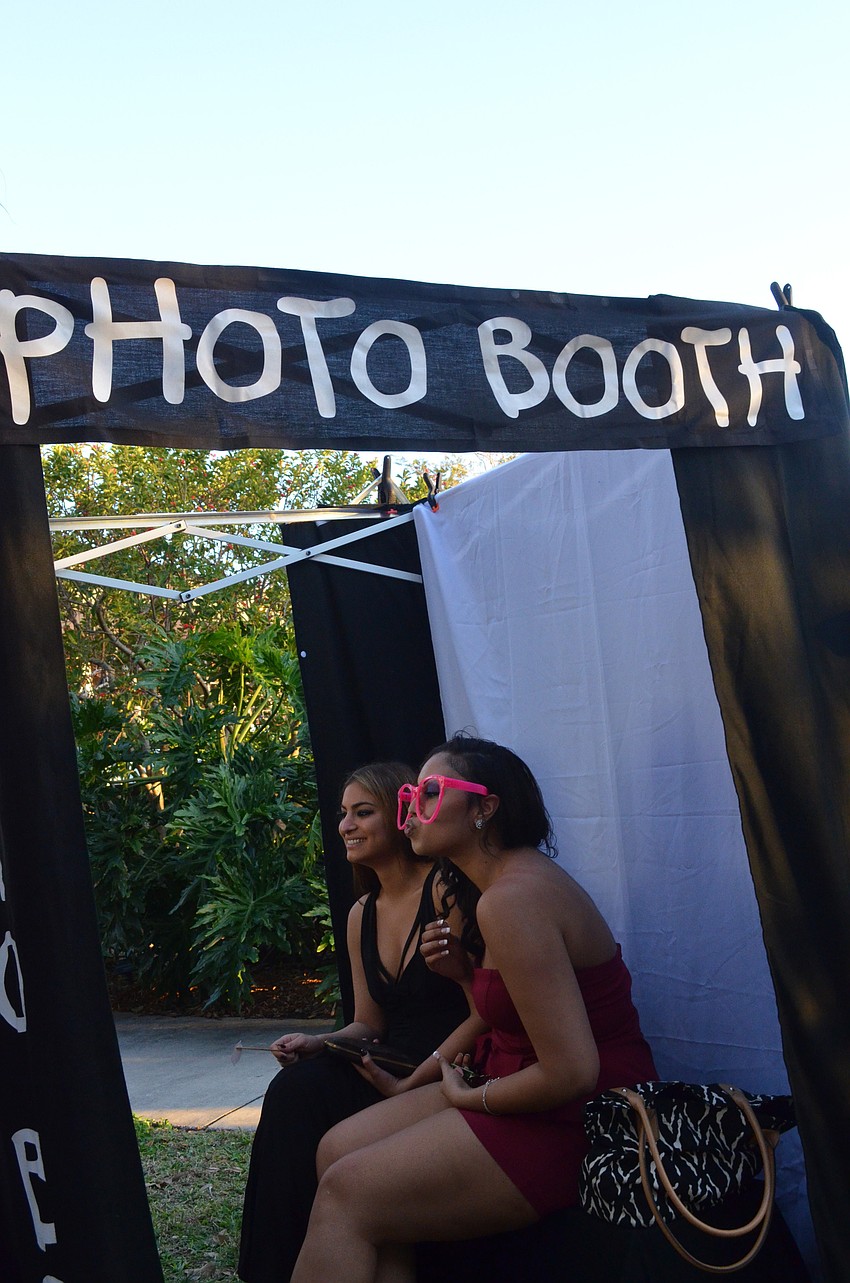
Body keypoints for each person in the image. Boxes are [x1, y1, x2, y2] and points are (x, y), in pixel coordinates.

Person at [289, 735, 658, 1283]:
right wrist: (464, 979)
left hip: (578, 1116)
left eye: (432, 792)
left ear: (485, 808)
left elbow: (574, 1072)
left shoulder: (514, 900)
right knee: (336, 1149)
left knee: (347, 1191)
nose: (413, 807)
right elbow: (507, 1016)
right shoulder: (493, 893)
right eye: (412, 793)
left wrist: (470, 1095)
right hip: (517, 1081)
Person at [238, 761, 480, 1283]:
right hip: (387, 1060)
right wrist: (320, 1042)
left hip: (452, 1061)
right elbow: (368, 1023)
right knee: (296, 1088)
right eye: (343, 814)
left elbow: (487, 1005)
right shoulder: (360, 913)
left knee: (304, 1100)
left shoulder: (446, 890)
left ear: (401, 813)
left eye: (362, 812)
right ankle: (275, 1268)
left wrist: (415, 1077)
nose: (346, 825)